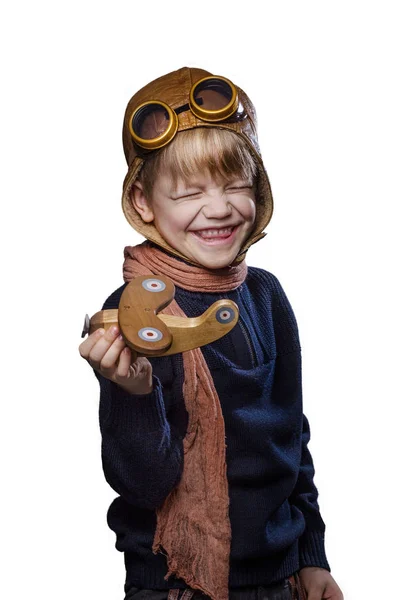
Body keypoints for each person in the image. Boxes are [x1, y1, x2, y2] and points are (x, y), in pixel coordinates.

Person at [79, 67, 344, 600]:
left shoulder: (266, 296)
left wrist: (312, 556)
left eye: (237, 185)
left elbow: (292, 437)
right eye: (188, 192)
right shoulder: (137, 311)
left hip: (281, 577)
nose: (219, 208)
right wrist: (132, 394)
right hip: (179, 584)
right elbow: (144, 485)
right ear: (143, 204)